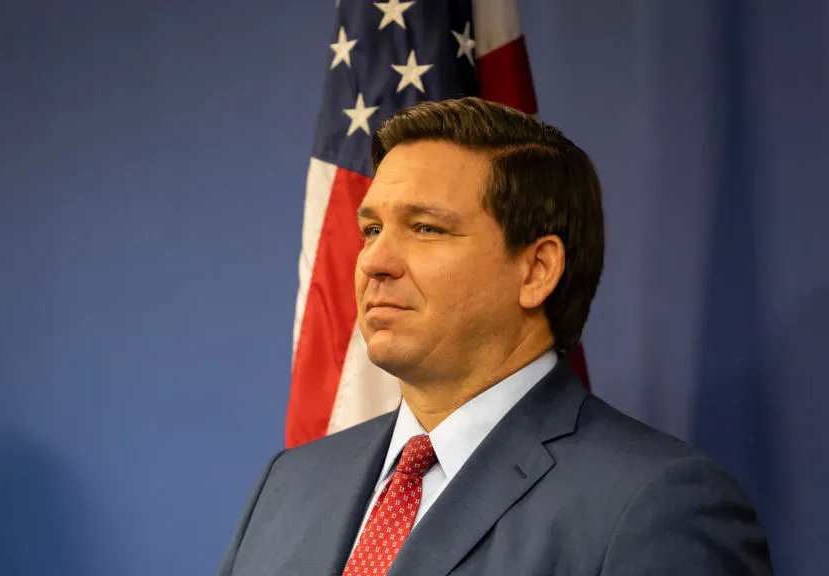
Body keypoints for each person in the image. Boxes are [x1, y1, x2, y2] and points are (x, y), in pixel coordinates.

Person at [219, 98, 772, 575]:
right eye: (372, 229)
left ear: (536, 270)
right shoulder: (287, 484)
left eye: (426, 228)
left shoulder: (656, 506)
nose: (375, 261)